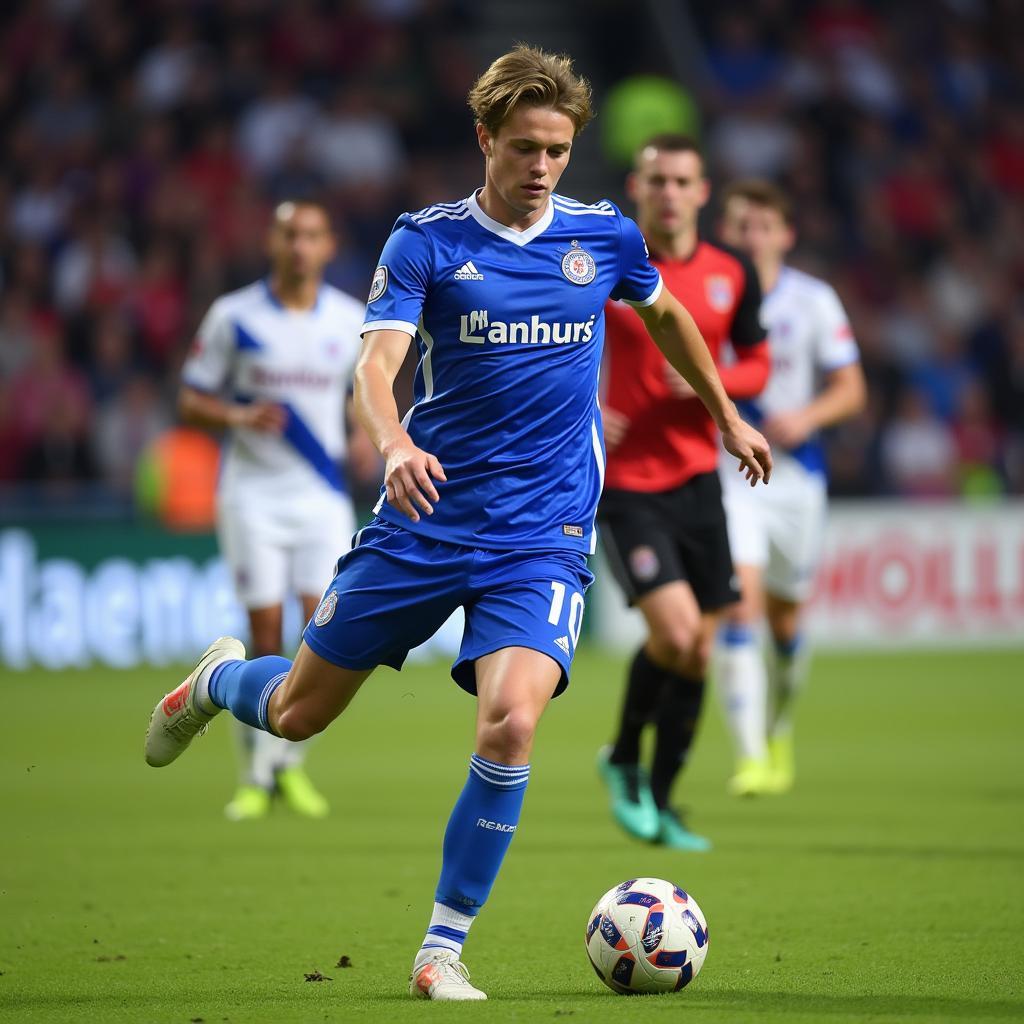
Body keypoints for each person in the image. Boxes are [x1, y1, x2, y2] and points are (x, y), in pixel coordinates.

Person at [145, 46, 771, 1001]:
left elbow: (667, 314)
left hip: (544, 532)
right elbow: (375, 363)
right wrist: (394, 441)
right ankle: (217, 682)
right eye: (524, 148)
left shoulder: (603, 236)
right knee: (298, 714)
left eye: (558, 150)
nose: (542, 168)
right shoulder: (426, 243)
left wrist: (725, 412)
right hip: (426, 517)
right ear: (485, 139)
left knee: (512, 723)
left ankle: (441, 949)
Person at [597, 135, 771, 850]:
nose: (669, 193)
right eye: (656, 180)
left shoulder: (733, 273)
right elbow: (556, 344)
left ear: (703, 193)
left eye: (682, 181)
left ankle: (663, 800)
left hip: (700, 480)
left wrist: (715, 387)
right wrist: (586, 409)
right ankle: (620, 759)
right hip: (627, 482)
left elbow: (758, 360)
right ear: (637, 188)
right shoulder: (607, 265)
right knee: (672, 633)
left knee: (699, 650)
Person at [178, 199, 371, 820]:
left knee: (320, 630)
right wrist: (237, 414)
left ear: (328, 245)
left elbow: (364, 392)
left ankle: (290, 768)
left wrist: (367, 434)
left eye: (311, 235)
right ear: (272, 242)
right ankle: (256, 775)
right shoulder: (235, 316)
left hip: (320, 496)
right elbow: (190, 399)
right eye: (289, 235)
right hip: (252, 495)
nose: (299, 246)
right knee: (264, 630)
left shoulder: (349, 319)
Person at [714, 179, 865, 794]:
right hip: (729, 472)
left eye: (763, 225)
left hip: (796, 477)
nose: (753, 235)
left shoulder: (814, 300)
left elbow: (851, 388)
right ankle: (749, 757)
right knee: (738, 603)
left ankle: (779, 727)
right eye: (742, 225)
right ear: (726, 232)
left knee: (786, 622)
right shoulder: (712, 295)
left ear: (785, 234)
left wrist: (806, 417)